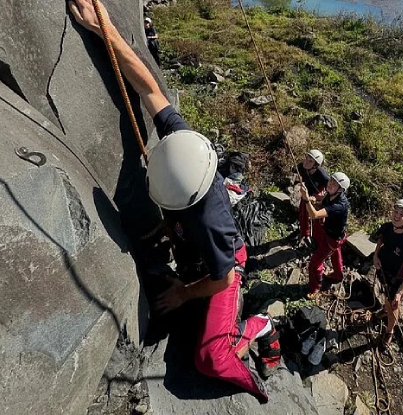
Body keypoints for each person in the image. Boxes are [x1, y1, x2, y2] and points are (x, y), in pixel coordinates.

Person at [68, 0, 279, 403]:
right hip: (193, 250)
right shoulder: (183, 146)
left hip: (222, 266)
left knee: (209, 359)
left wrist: (184, 291)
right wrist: (104, 29)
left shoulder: (211, 221)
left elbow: (225, 278)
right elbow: (147, 87)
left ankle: (257, 328)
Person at [373, 199, 403, 347]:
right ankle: (384, 309)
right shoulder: (387, 227)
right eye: (396, 212)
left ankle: (389, 331)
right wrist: (375, 255)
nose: (397, 216)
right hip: (383, 269)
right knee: (386, 298)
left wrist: (400, 293)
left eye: (402, 214)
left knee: (393, 304)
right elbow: (381, 238)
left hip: (397, 277)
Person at [300, 172, 350, 298]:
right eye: (331, 180)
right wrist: (314, 200)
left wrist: (306, 199)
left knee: (314, 264)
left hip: (332, 238)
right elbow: (323, 202)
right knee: (335, 253)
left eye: (335, 184)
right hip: (336, 234)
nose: (330, 183)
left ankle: (315, 287)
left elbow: (314, 215)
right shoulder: (332, 195)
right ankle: (338, 274)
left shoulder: (339, 206)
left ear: (340, 190)